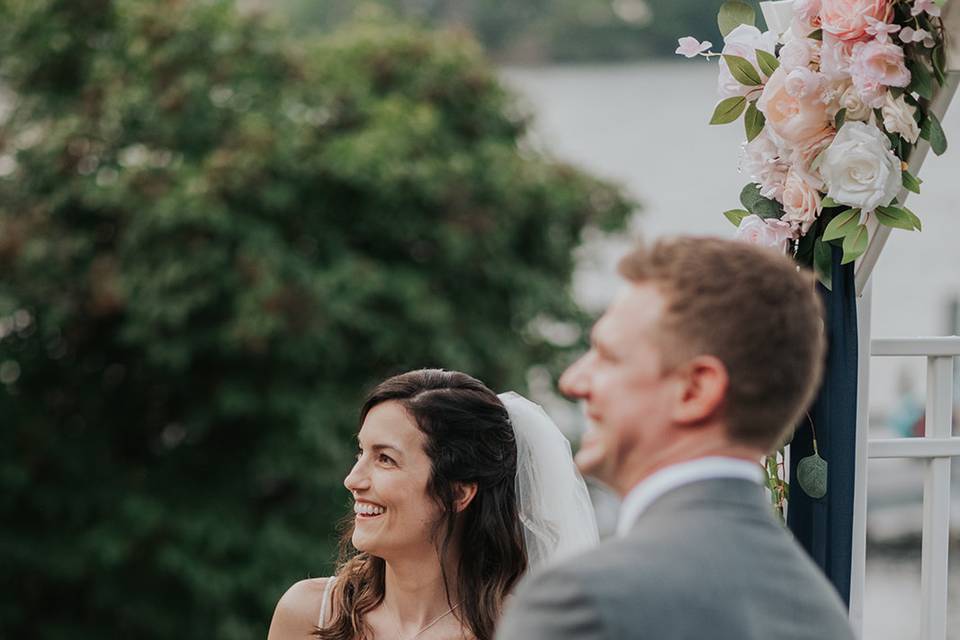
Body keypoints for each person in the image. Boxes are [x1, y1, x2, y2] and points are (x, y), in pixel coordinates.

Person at [496, 236, 856, 640]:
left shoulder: (585, 602)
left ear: (695, 391)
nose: (573, 380)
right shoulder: (819, 612)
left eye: (608, 356)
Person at [268, 369, 597, 640]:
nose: (353, 479)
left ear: (458, 493)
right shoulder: (308, 614)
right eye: (361, 452)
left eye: (385, 459)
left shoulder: (525, 633)